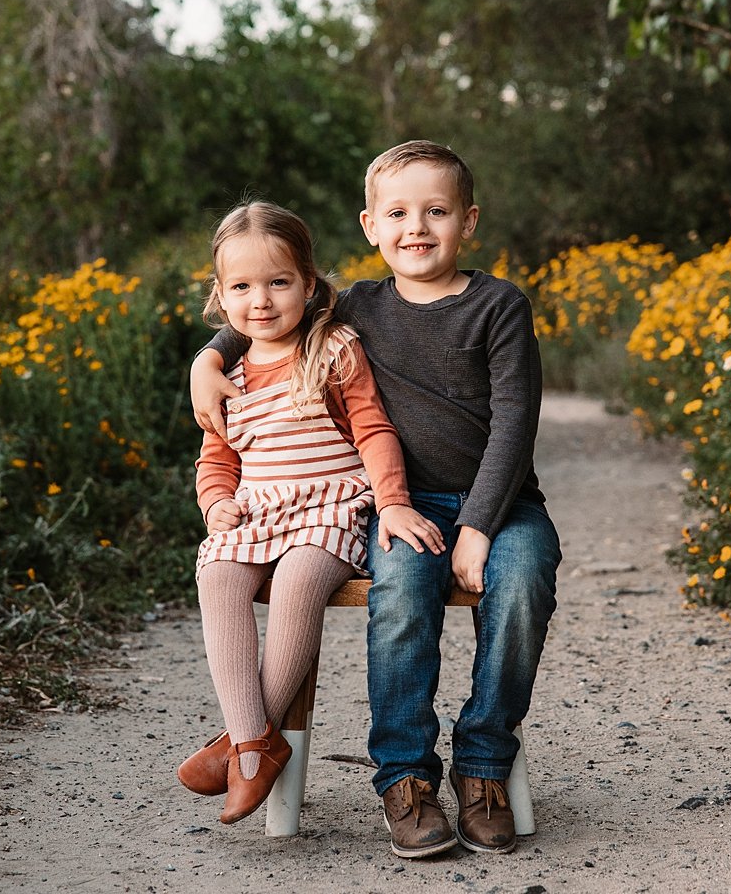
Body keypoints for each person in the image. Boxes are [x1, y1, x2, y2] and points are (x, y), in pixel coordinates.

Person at [191, 141, 561, 857]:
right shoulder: (357, 302)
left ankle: (483, 763)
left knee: (518, 589)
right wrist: (208, 359)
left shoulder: (499, 306)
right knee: (398, 599)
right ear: (370, 226)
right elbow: (266, 300)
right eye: (397, 212)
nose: (415, 227)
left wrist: (479, 526)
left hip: (502, 503)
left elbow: (516, 424)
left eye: (436, 211)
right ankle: (405, 778)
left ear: (468, 221)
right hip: (399, 504)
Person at [177, 200, 445, 826]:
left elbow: (375, 431)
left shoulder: (334, 349)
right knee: (216, 575)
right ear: (221, 296)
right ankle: (252, 741)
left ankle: (243, 748)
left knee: (299, 578)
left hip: (328, 507)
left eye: (278, 282)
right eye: (241, 286)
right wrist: (216, 502)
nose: (261, 300)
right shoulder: (225, 375)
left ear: (308, 284)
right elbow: (215, 456)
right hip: (258, 511)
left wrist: (392, 500)